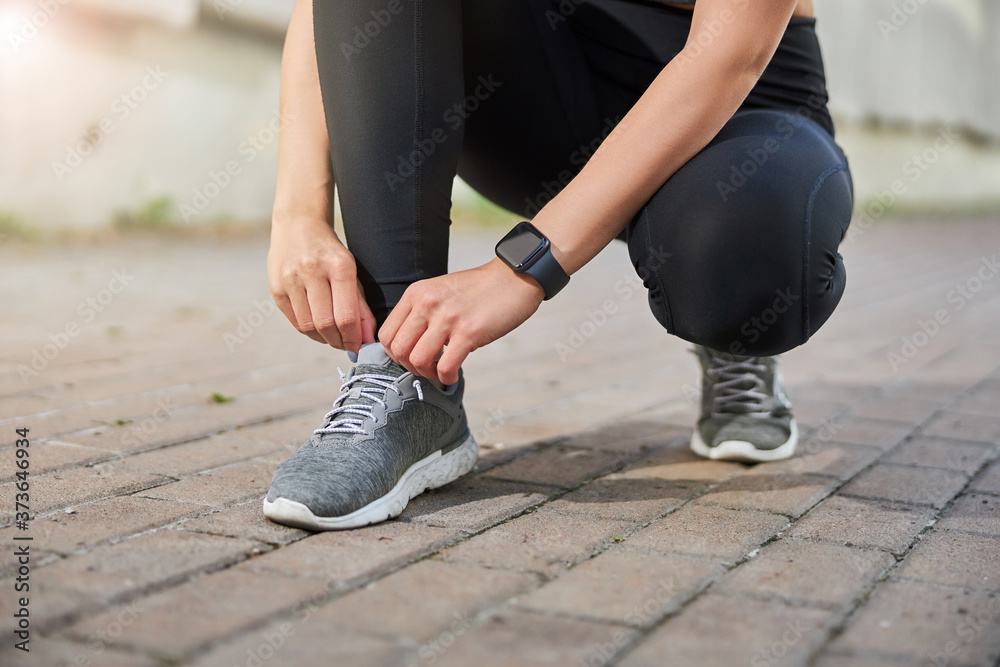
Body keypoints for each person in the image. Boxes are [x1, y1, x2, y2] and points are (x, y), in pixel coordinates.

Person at [262, 0, 853, 530]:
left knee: (744, 261)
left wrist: (522, 268)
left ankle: (736, 344)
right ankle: (402, 375)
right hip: (544, 90)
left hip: (739, 113)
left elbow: (730, 53)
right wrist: (296, 214)